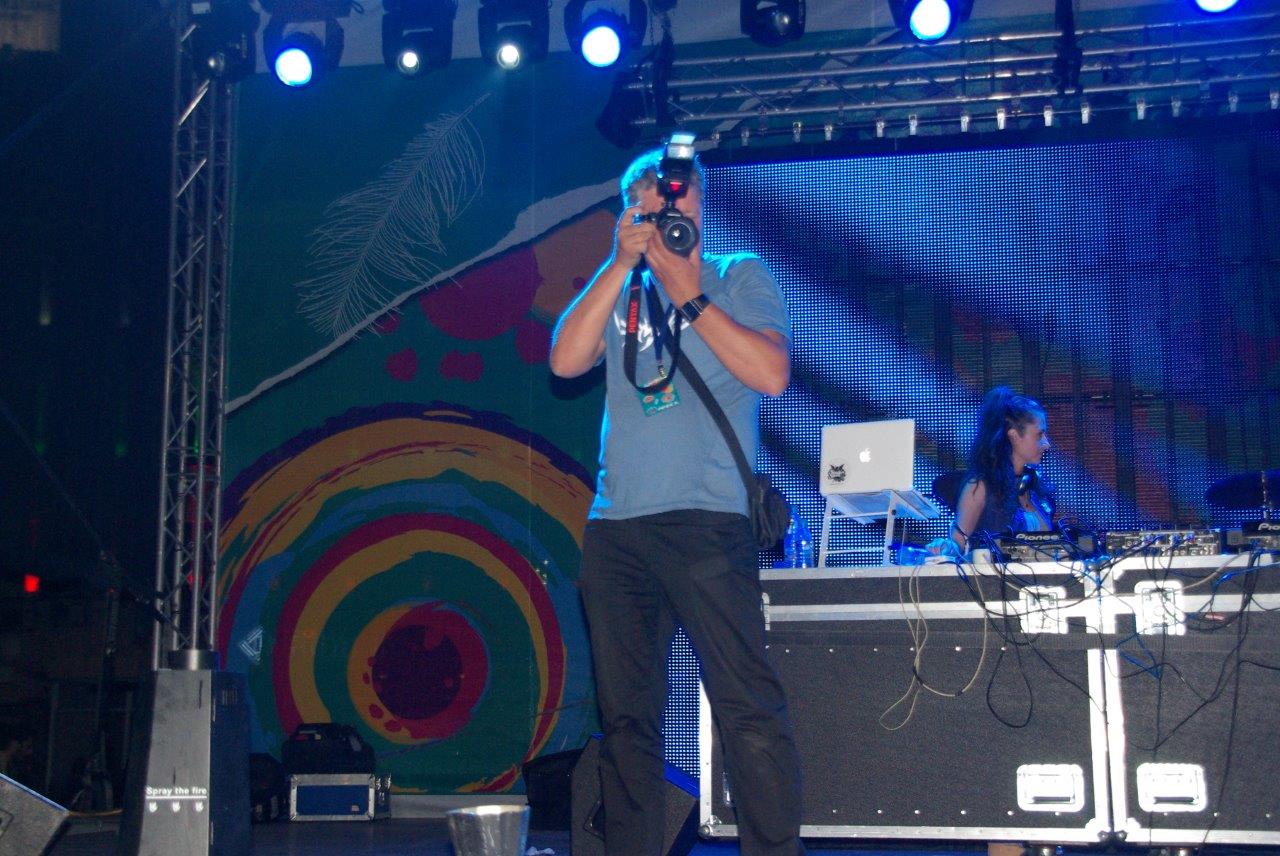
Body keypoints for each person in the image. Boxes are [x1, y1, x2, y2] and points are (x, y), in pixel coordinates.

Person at [550, 143, 805, 856]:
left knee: (745, 706)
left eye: (679, 198)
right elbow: (564, 360)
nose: (668, 211)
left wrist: (689, 292)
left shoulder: (736, 273)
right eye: (651, 203)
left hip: (706, 523)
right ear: (630, 211)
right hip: (617, 529)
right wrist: (618, 264)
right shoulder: (619, 287)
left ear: (701, 205)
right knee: (627, 719)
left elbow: (772, 374)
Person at [936, 386, 1054, 557]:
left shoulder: (1032, 487)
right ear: (1014, 435)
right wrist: (944, 547)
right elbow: (957, 544)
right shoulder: (980, 486)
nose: (1046, 443)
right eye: (1039, 435)